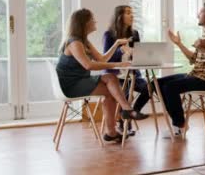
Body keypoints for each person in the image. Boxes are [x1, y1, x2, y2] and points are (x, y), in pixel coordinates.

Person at [56, 8, 146, 143]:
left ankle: (115, 127)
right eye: (92, 19)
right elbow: (89, 65)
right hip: (71, 85)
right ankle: (124, 114)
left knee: (111, 84)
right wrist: (118, 65)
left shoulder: (83, 41)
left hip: (80, 79)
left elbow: (102, 59)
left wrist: (116, 44)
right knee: (111, 85)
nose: (95, 21)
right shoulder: (74, 42)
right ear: (84, 23)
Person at [159, 1, 205, 135]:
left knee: (170, 87)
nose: (198, 15)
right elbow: (193, 59)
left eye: (200, 12)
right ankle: (179, 123)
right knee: (158, 83)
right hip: (195, 75)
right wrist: (179, 44)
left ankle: (179, 125)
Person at [103, 5, 151, 136]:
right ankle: (124, 123)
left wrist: (136, 53)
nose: (132, 15)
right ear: (120, 17)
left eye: (132, 13)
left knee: (150, 88)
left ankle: (130, 113)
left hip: (133, 75)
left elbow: (139, 57)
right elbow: (106, 59)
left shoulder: (134, 34)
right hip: (116, 77)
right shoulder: (109, 35)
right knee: (123, 94)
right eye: (128, 13)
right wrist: (120, 50)